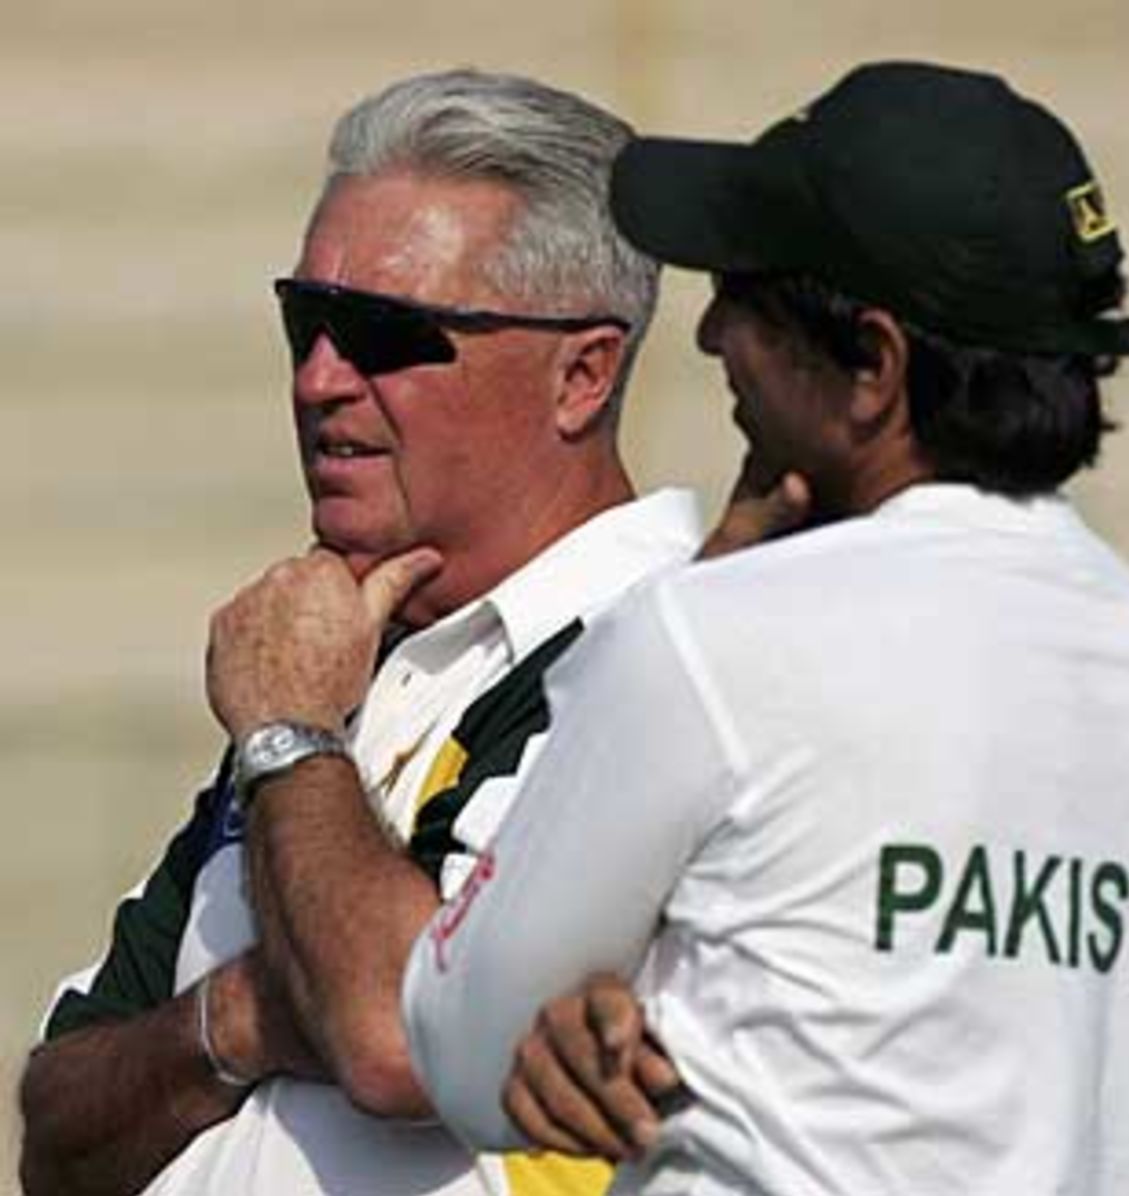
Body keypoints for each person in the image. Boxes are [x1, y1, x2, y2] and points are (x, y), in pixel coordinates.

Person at [400, 61, 1129, 1194]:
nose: (710, 332)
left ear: (871, 366)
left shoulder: (715, 637)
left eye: (748, 296)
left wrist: (290, 745)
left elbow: (461, 1041)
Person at [18, 69, 704, 1196]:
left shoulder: (660, 648)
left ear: (581, 372)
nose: (318, 380)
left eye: (385, 335)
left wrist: (287, 731)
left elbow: (395, 1032)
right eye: (307, 321)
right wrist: (244, 1011)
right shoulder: (346, 662)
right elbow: (58, 1129)